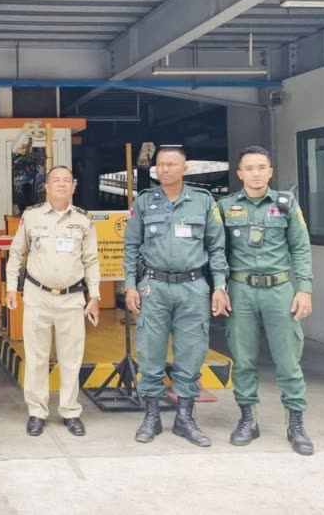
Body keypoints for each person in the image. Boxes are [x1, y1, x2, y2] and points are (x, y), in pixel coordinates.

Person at [123, 145, 227, 447]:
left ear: (185, 168)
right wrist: (130, 285)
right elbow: (131, 246)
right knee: (150, 352)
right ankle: (151, 417)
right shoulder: (144, 201)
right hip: (153, 286)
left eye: (172, 164)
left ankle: (185, 419)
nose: (165, 169)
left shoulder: (203, 201)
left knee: (191, 352)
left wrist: (219, 286)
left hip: (193, 287)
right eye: (161, 164)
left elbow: (216, 247)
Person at [216, 146, 315, 455]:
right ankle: (248, 420)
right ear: (239, 174)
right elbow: (218, 251)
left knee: (288, 359)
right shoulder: (225, 207)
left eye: (261, 167)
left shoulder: (286, 204)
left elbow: (301, 247)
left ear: (270, 172)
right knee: (243, 359)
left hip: (279, 289)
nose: (256, 173)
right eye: (250, 168)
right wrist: (219, 287)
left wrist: (305, 289)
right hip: (241, 290)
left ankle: (296, 424)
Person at [6, 166, 101, 437]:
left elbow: (91, 260)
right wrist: (11, 288)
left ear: (74, 187)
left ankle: (70, 411)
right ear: (46, 187)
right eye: (56, 180)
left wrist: (94, 296)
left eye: (67, 180)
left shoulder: (83, 220)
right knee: (36, 357)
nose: (61, 184)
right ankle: (37, 412)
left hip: (71, 298)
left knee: (71, 358)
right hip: (38, 296)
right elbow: (16, 253)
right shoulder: (31, 216)